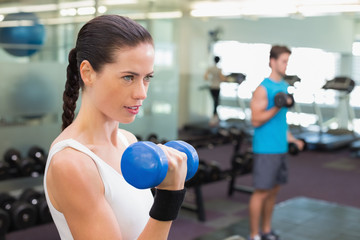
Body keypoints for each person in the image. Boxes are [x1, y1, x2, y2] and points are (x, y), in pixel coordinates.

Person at [43, 15, 188, 240]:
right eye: (128, 77)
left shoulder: (127, 141)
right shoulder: (72, 163)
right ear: (88, 73)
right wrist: (169, 198)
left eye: (147, 77)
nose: (142, 93)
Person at [248, 45, 305, 240]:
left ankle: (266, 230)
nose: (286, 65)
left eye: (288, 61)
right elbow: (255, 119)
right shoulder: (263, 88)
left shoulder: (283, 86)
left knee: (273, 192)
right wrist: (276, 107)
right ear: (272, 61)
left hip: (280, 147)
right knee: (261, 193)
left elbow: (282, 122)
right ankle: (255, 234)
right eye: (283, 61)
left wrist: (292, 140)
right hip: (265, 149)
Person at [204, 56, 226, 126]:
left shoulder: (210, 68)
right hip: (217, 87)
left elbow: (205, 77)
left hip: (212, 87)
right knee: (216, 102)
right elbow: (222, 78)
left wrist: (211, 80)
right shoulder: (219, 69)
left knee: (215, 102)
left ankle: (215, 117)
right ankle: (214, 118)